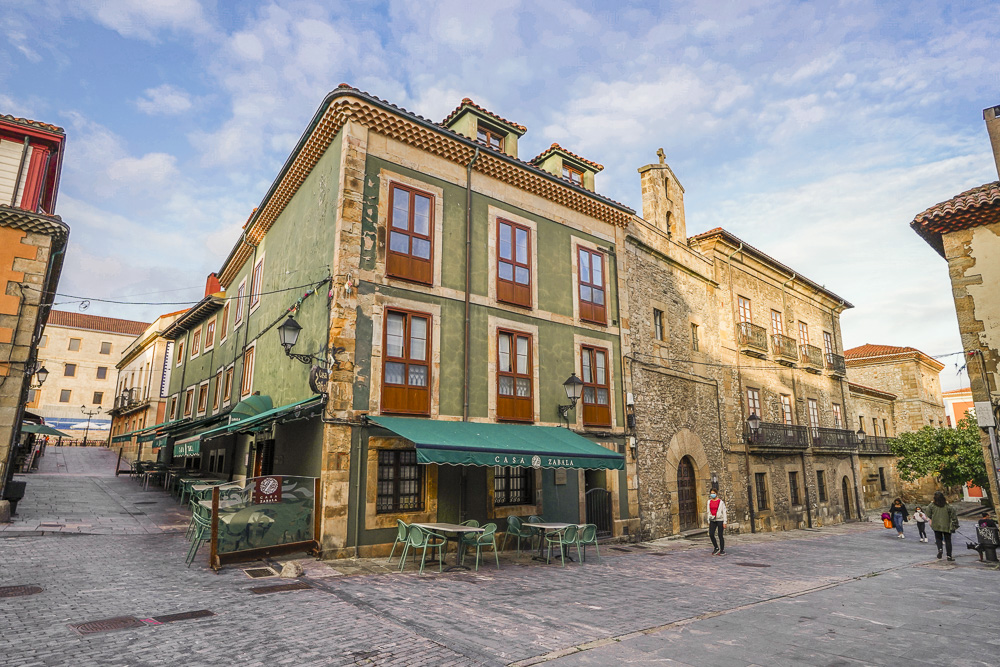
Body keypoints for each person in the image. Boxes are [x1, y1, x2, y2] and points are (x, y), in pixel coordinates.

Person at [925, 491, 959, 561]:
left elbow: (928, 513)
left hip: (936, 524)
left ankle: (940, 549)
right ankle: (949, 556)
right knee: (948, 540)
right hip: (947, 525)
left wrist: (932, 518)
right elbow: (954, 516)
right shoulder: (948, 506)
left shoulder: (932, 505)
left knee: (938, 538)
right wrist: (955, 524)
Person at [707, 489, 727, 556]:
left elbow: (724, 512)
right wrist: (708, 520)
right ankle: (716, 547)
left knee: (720, 535)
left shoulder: (721, 502)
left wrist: (725, 522)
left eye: (714, 493)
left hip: (720, 519)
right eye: (711, 493)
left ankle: (722, 549)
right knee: (711, 534)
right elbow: (708, 511)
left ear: (716, 493)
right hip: (712, 519)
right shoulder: (709, 502)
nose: (712, 494)